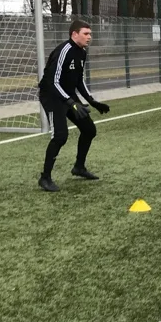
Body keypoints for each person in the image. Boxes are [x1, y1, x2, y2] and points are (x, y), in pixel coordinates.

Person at [37, 19, 110, 192]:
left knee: (89, 130)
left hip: (67, 96)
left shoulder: (82, 52)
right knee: (60, 136)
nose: (89, 37)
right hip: (52, 96)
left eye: (90, 34)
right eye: (86, 33)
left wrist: (92, 101)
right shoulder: (63, 51)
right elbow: (53, 82)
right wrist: (71, 102)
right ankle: (45, 178)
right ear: (74, 34)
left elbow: (79, 80)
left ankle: (79, 167)